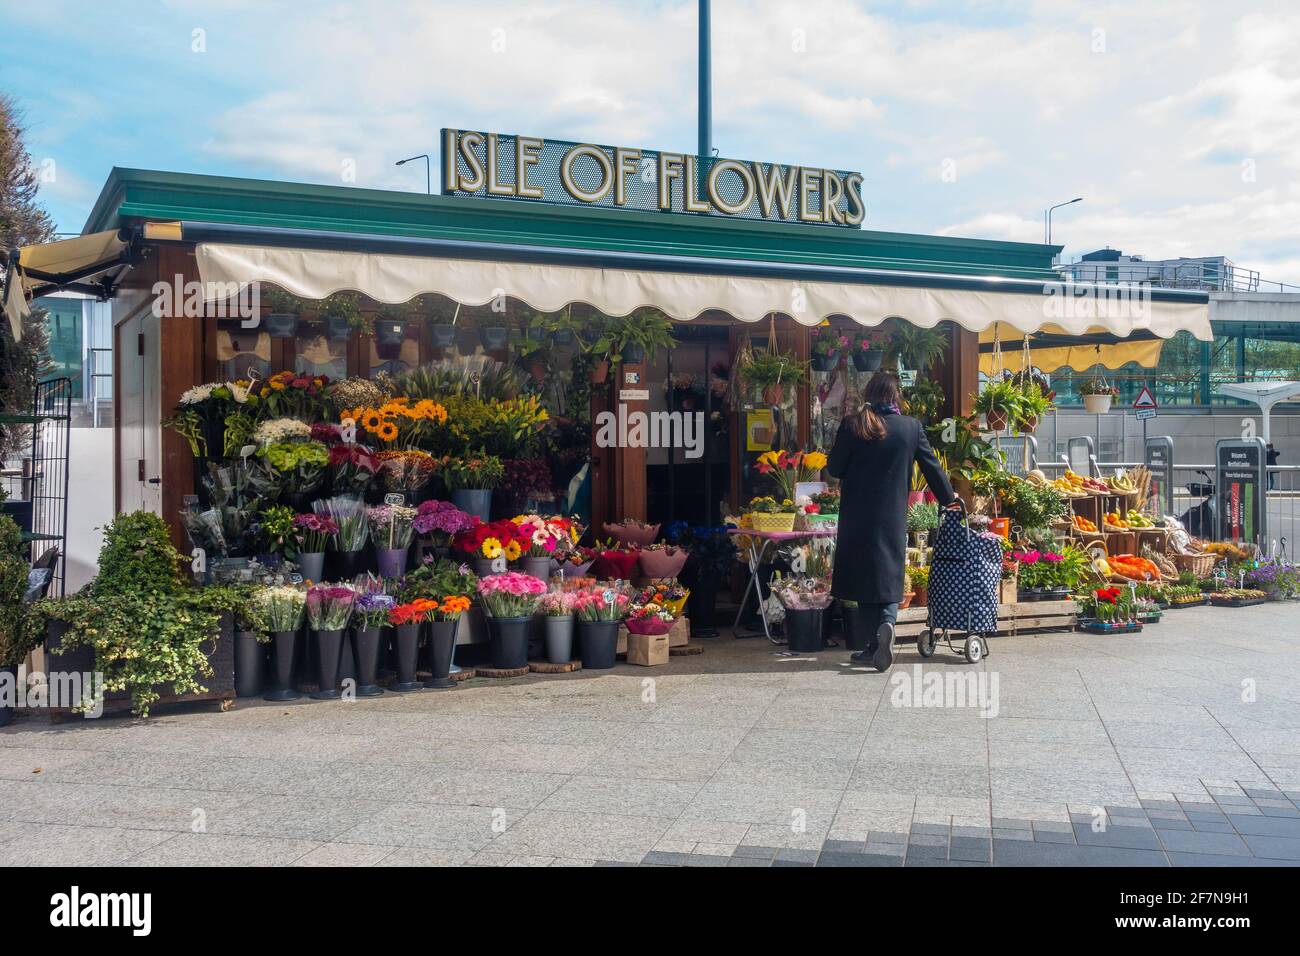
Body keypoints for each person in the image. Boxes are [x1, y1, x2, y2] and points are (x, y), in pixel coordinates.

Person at [827, 370, 958, 671]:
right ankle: (887, 623)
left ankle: (873, 645)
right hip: (891, 514)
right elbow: (931, 467)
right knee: (888, 572)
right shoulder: (910, 428)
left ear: (868, 394)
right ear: (896, 396)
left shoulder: (853, 424)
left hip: (857, 515)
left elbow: (835, 467)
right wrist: (949, 499)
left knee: (864, 576)